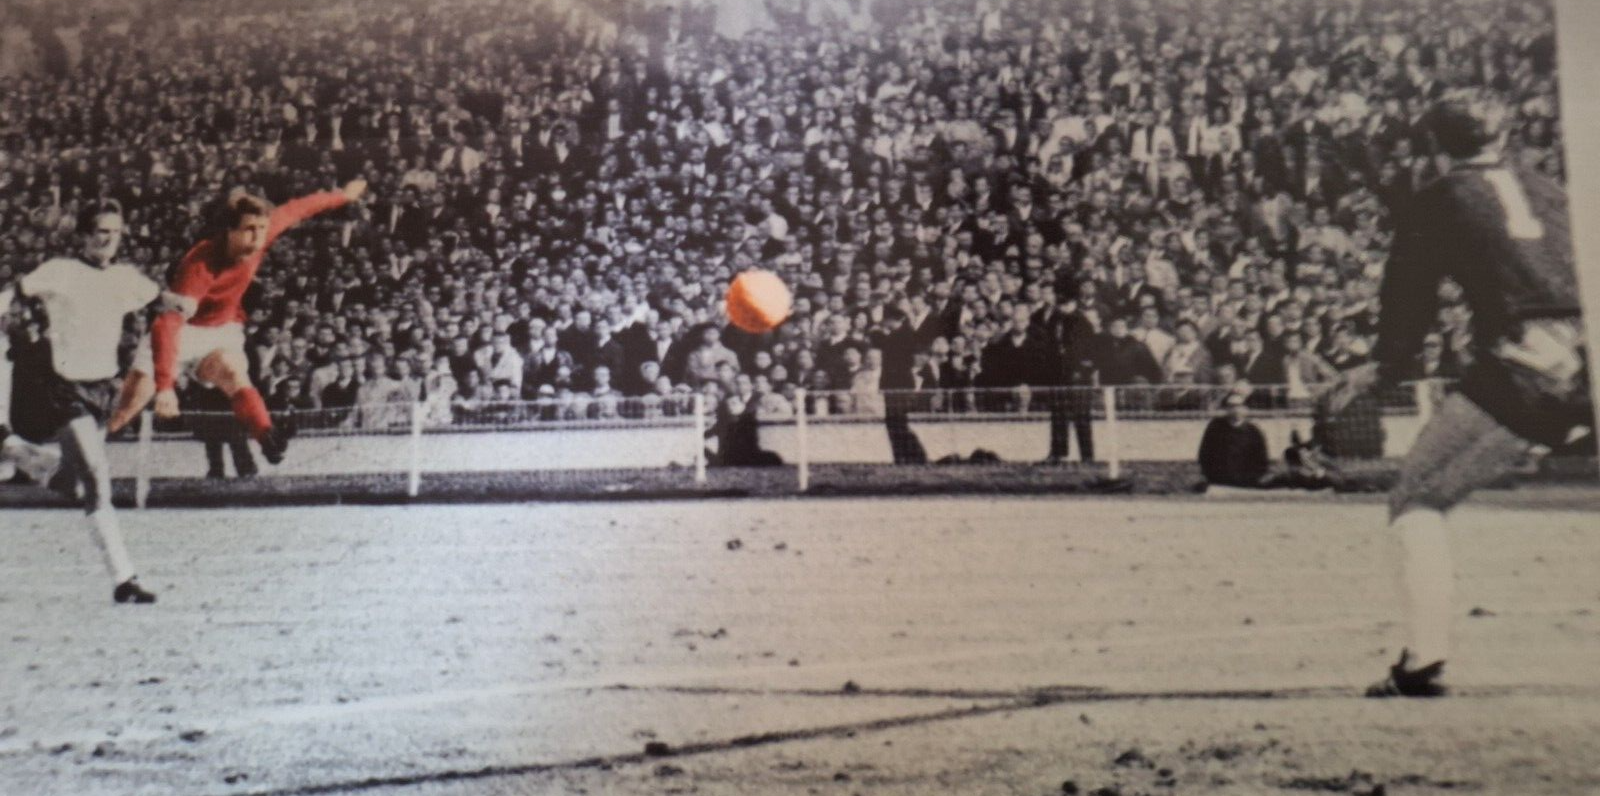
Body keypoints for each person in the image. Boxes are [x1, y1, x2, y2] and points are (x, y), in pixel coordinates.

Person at [1328, 92, 1593, 697]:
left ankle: (1422, 662)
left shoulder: (1438, 199)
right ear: (1506, 139)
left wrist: (1384, 367)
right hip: (1587, 358)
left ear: (1434, 148)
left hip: (1529, 364)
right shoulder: (1552, 191)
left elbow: (1409, 294)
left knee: (1417, 499)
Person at [1, 200, 195, 604]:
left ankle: (17, 453)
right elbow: (14, 294)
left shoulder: (125, 278)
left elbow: (160, 298)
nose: (109, 240)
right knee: (95, 473)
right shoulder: (60, 271)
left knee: (78, 485)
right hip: (63, 386)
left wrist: (186, 303)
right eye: (101, 232)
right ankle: (124, 579)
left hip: (104, 389)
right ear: (84, 235)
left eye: (116, 233)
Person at [108, 180, 369, 464]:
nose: (258, 236)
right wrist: (166, 387)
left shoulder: (262, 232)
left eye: (261, 229)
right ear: (229, 231)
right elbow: (166, 326)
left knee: (234, 373)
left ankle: (268, 437)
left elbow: (299, 209)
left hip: (221, 330)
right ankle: (69, 466)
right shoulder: (200, 265)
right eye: (248, 229)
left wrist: (343, 195)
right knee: (123, 413)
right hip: (180, 334)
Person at [1197, 392, 1270, 488]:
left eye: (1239, 406)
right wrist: (1211, 477)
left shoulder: (1254, 432)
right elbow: (1204, 454)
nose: (1235, 410)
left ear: (1245, 409)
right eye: (1231, 406)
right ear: (1226, 409)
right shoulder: (1215, 428)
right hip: (1219, 483)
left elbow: (1262, 461)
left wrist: (1252, 478)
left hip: (1246, 484)